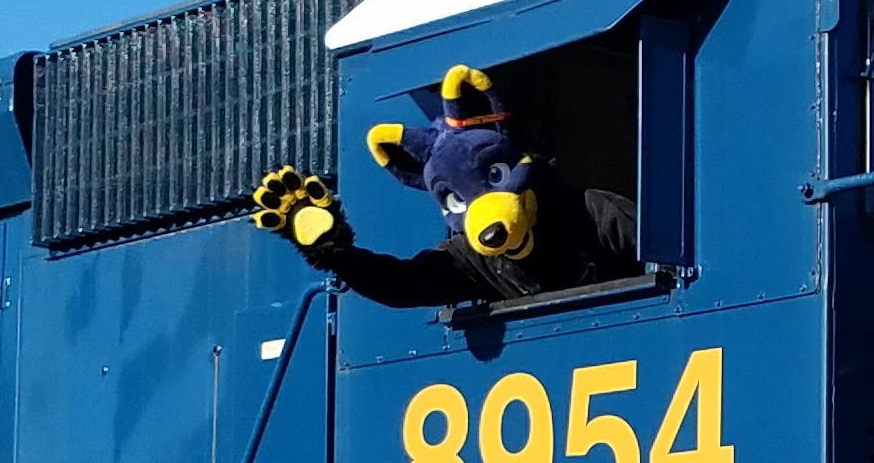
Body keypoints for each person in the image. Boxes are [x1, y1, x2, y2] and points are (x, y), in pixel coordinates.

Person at [255, 63, 640, 308]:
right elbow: (404, 283)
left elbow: (660, 251)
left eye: (494, 178)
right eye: (458, 200)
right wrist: (336, 253)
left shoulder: (592, 211)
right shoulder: (470, 257)